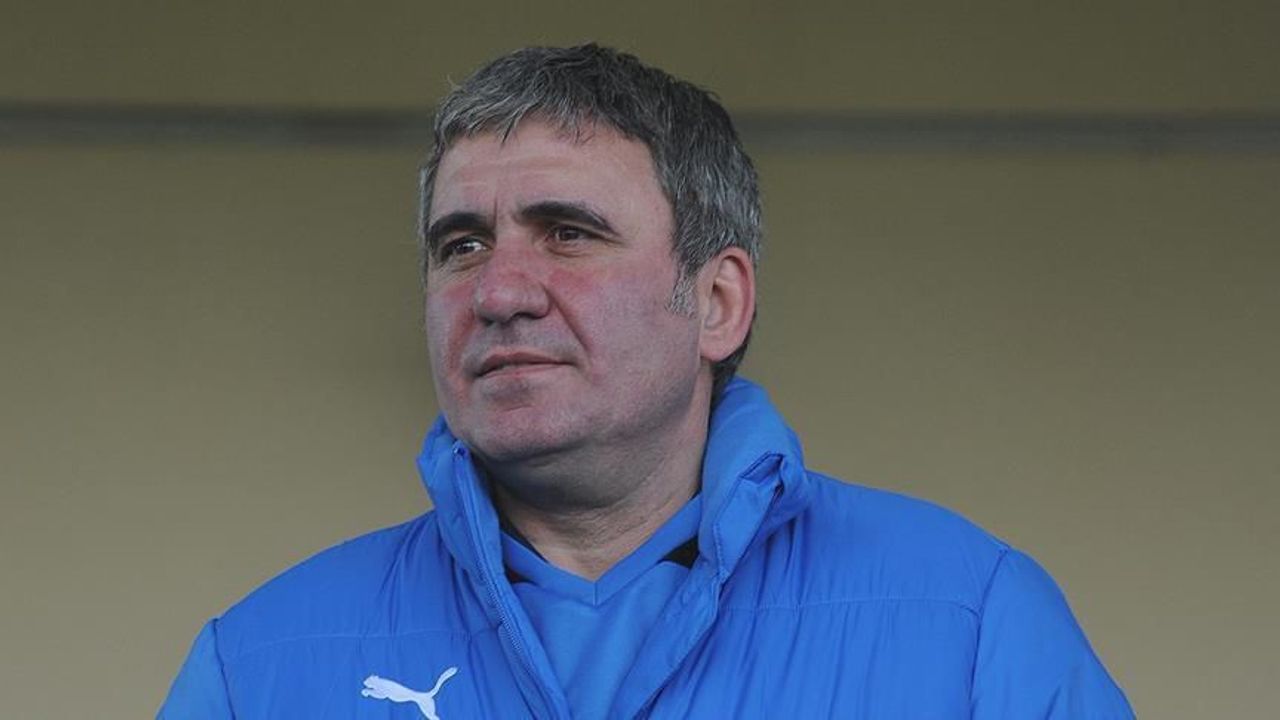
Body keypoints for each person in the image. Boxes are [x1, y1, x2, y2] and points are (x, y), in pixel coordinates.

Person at [160, 44, 1134, 719]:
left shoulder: (968, 625)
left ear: (717, 301)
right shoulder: (258, 667)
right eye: (461, 245)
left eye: (568, 234)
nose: (498, 291)